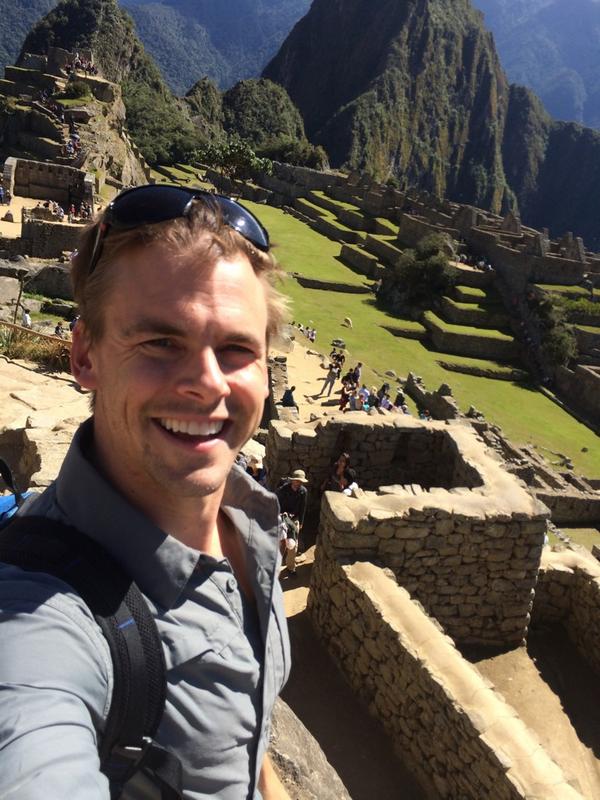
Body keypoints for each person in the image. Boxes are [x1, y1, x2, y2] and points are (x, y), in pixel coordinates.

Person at [0, 185, 292, 799]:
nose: (208, 384)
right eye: (161, 342)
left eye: (237, 349)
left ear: (267, 369)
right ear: (85, 355)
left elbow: (252, 733)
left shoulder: (255, 528)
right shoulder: (36, 617)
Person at [275, 469, 308, 574]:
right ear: (292, 480)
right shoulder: (283, 490)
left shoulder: (303, 492)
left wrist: (301, 522)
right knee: (281, 543)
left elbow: (303, 507)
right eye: (297, 481)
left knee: (293, 545)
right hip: (282, 518)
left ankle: (290, 567)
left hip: (294, 519)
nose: (298, 483)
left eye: (300, 481)